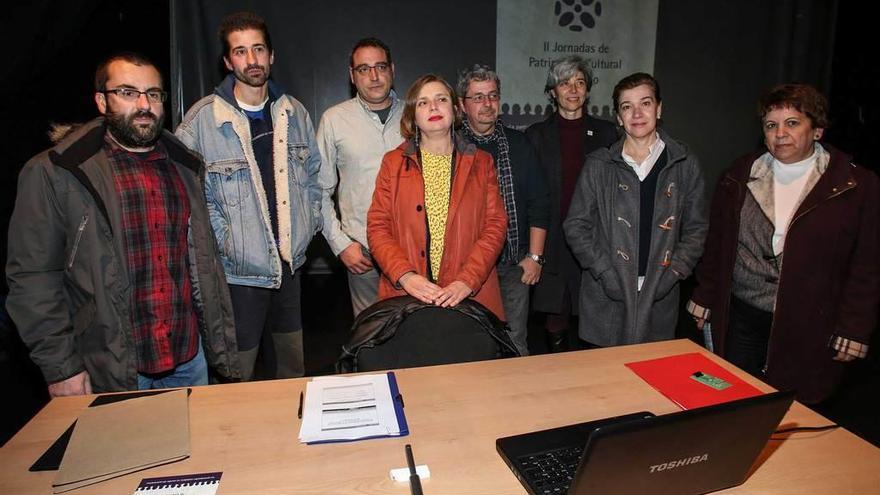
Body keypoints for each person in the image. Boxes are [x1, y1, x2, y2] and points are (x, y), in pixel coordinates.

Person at [6, 52, 239, 395]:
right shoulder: (56, 172)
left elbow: (202, 267)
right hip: (110, 365)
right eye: (128, 93)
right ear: (102, 101)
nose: (144, 105)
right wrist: (61, 368)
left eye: (154, 94)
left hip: (188, 357)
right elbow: (33, 278)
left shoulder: (186, 168)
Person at [687, 83, 879, 404]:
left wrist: (854, 328)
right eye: (771, 125)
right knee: (733, 399)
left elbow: (867, 264)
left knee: (796, 408)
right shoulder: (739, 174)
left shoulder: (856, 185)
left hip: (809, 321)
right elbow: (718, 243)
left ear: (817, 130)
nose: (780, 134)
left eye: (792, 123)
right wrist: (705, 295)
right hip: (742, 316)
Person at [176, 11, 321, 380]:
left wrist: (308, 225)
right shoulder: (201, 122)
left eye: (258, 49)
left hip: (289, 268)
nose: (251, 59)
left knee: (290, 373)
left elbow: (314, 180)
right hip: (237, 278)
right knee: (235, 379)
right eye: (240, 51)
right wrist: (227, 244)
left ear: (271, 55)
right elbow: (186, 199)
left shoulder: (295, 112)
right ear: (227, 61)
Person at [564, 72, 708, 347]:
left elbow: (697, 229)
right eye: (627, 106)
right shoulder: (598, 164)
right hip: (606, 296)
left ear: (659, 108)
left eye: (645, 103)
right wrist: (605, 272)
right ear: (618, 117)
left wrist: (674, 272)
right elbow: (576, 225)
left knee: (650, 382)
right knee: (603, 385)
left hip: (660, 296)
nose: (637, 113)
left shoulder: (684, 163)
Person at [367, 74, 508, 320]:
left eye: (441, 99)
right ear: (412, 116)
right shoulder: (392, 163)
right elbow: (378, 228)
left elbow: (495, 227)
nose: (433, 107)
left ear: (455, 109)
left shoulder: (482, 162)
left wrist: (467, 280)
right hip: (408, 295)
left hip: (469, 295)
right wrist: (406, 276)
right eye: (423, 102)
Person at [525, 55, 618, 351]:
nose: (573, 89)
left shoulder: (608, 134)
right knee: (555, 311)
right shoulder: (536, 136)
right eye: (565, 83)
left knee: (592, 311)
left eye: (580, 82)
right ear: (553, 91)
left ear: (588, 90)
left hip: (594, 238)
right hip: (551, 238)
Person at [456, 64, 550, 355]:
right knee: (468, 341)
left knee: (515, 342)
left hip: (512, 265)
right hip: (464, 265)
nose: (486, 104)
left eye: (492, 96)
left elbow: (539, 202)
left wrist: (535, 257)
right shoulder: (451, 147)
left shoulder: (519, 144)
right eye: (478, 97)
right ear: (461, 104)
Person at [317, 38, 404, 317]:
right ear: (352, 76)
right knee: (370, 338)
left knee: (416, 335)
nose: (374, 76)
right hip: (363, 253)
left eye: (380, 66)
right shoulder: (334, 120)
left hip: (412, 250)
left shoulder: (417, 115)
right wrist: (341, 245)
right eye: (364, 69)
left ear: (392, 69)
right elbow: (318, 190)